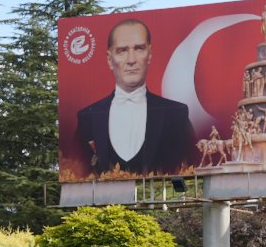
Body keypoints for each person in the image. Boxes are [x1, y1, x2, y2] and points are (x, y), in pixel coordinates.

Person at [77, 18, 195, 177]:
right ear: (109, 59)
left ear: (150, 54)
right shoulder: (87, 117)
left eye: (139, 48)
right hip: (105, 201)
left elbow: (187, 170)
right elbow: (76, 172)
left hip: (160, 200)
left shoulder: (176, 114)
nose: (131, 60)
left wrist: (177, 198)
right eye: (122, 50)